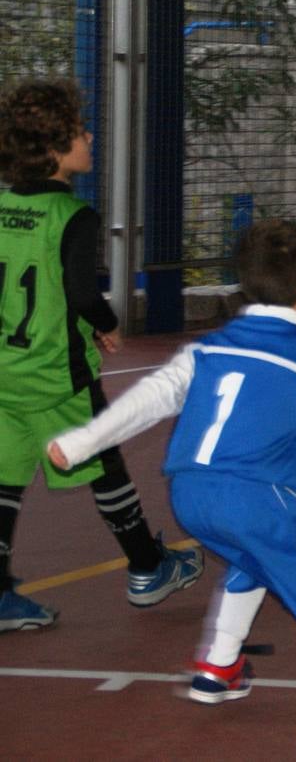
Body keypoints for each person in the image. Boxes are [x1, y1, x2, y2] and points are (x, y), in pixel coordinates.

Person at [47, 219, 296, 756]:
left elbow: (152, 397)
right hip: (254, 499)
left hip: (189, 493)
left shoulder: (209, 347)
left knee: (255, 561)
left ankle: (220, 664)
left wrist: (80, 443)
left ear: (243, 286)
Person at [0, 78, 202, 633]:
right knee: (104, 461)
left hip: (4, 372)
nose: (90, 136)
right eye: (78, 131)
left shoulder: (2, 205)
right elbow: (82, 292)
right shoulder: (73, 215)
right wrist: (106, 326)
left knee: (6, 479)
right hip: (53, 373)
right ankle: (147, 566)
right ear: (52, 150)